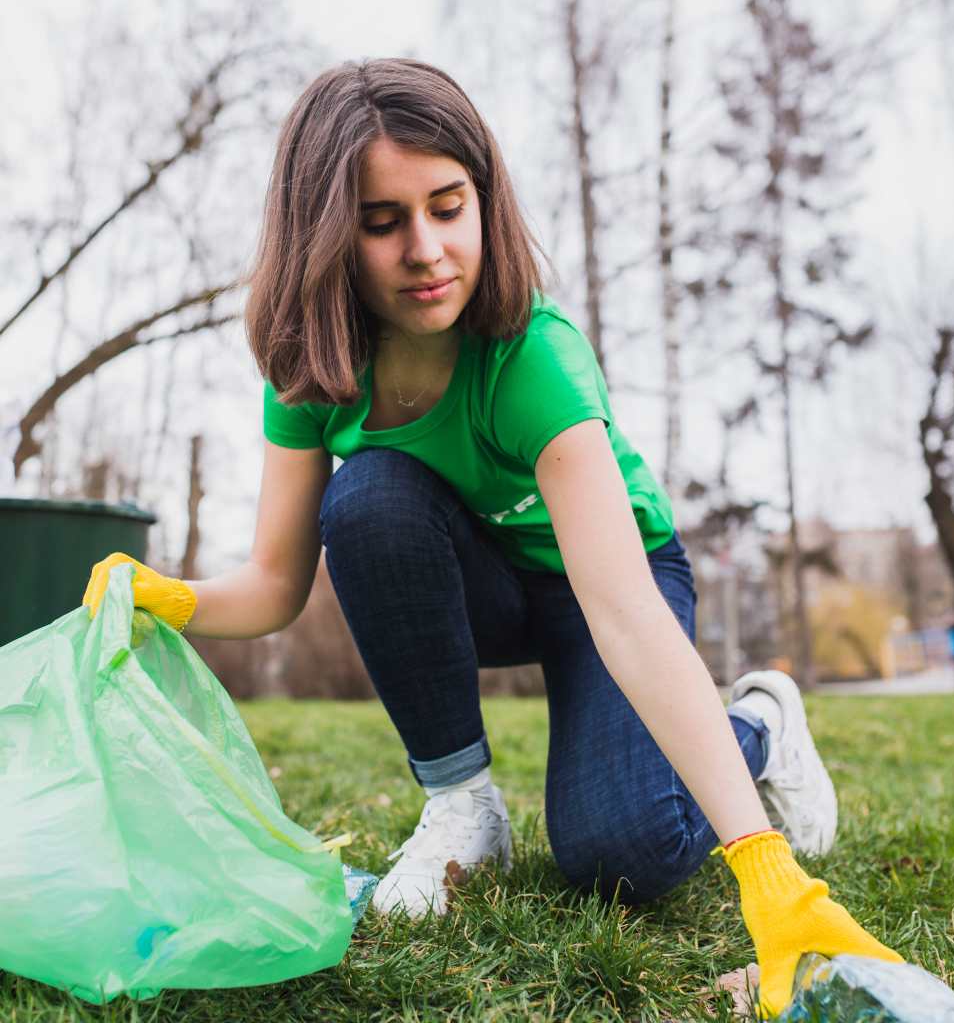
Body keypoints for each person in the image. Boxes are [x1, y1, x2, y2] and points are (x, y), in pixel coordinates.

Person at [82, 58, 902, 1016]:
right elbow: (273, 584)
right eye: (382, 223)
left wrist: (768, 875)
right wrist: (169, 597)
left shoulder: (533, 360)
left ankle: (759, 727)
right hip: (472, 586)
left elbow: (627, 615)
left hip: (606, 587)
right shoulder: (315, 371)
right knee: (369, 496)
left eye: (447, 205)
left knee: (622, 852)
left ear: (485, 200)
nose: (426, 250)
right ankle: (463, 806)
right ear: (325, 238)